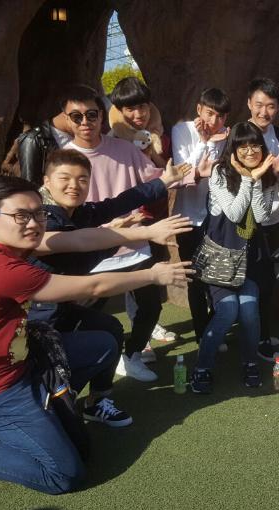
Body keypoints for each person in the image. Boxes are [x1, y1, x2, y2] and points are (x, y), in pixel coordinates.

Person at [0, 176, 192, 494]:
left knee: (104, 344)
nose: (33, 223)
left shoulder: (1, 242)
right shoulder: (2, 269)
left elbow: (79, 240)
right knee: (65, 475)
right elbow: (94, 286)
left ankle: (65, 409)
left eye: (38, 213)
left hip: (25, 364)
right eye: (21, 215)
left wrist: (146, 231)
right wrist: (153, 274)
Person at [30, 149, 190, 386]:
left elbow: (120, 202)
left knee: (111, 329)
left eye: (82, 179)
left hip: (61, 309)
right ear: (47, 181)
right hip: (34, 319)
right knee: (55, 372)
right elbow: (79, 249)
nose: (74, 185)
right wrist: (143, 233)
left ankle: (99, 397)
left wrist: (163, 181)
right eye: (64, 178)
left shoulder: (78, 212)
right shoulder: (42, 218)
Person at [59, 84, 171, 382]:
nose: (85, 122)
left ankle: (132, 355)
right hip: (92, 248)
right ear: (67, 120)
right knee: (80, 312)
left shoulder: (124, 149)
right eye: (76, 116)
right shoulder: (63, 158)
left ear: (102, 116)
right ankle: (75, 368)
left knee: (150, 306)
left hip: (134, 243)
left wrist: (187, 174)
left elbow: (154, 179)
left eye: (91, 114)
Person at [190, 122, 278, 394]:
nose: (250, 151)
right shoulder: (220, 171)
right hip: (221, 259)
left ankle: (250, 362)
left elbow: (261, 216)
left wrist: (258, 179)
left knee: (250, 310)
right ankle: (202, 366)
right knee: (228, 310)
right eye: (243, 146)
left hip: (250, 260)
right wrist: (250, 180)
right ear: (234, 149)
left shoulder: (266, 175)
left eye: (255, 145)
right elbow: (234, 213)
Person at [108, 77, 179, 348]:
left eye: (143, 107)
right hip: (131, 218)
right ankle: (140, 333)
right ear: (120, 111)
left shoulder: (161, 136)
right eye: (130, 109)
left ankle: (149, 323)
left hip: (157, 214)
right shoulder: (114, 143)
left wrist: (152, 152)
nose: (139, 114)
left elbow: (166, 170)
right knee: (134, 273)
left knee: (154, 267)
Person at [171, 87, 232, 350]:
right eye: (209, 113)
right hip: (188, 218)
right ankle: (201, 333)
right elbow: (183, 174)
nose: (213, 121)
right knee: (195, 279)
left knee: (216, 278)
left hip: (217, 218)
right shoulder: (181, 130)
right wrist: (205, 142)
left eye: (220, 116)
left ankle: (216, 329)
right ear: (199, 109)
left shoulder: (227, 136)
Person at [246, 77, 279, 359]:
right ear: (249, 104)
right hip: (248, 219)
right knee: (253, 280)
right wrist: (272, 172)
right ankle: (255, 338)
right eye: (259, 105)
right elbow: (242, 178)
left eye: (270, 106)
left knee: (267, 280)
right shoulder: (241, 134)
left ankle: (260, 332)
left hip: (273, 219)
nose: (264, 112)